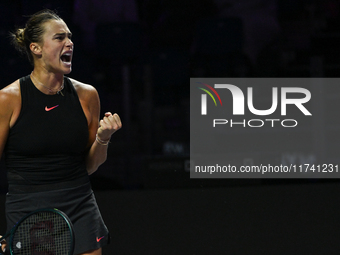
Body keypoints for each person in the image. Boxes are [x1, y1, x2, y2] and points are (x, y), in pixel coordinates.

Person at [0, 9, 122, 255]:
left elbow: (89, 166)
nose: (70, 43)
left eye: (70, 37)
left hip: (79, 202)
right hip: (28, 208)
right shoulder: (8, 99)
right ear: (36, 48)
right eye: (59, 37)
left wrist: (103, 138)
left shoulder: (87, 95)